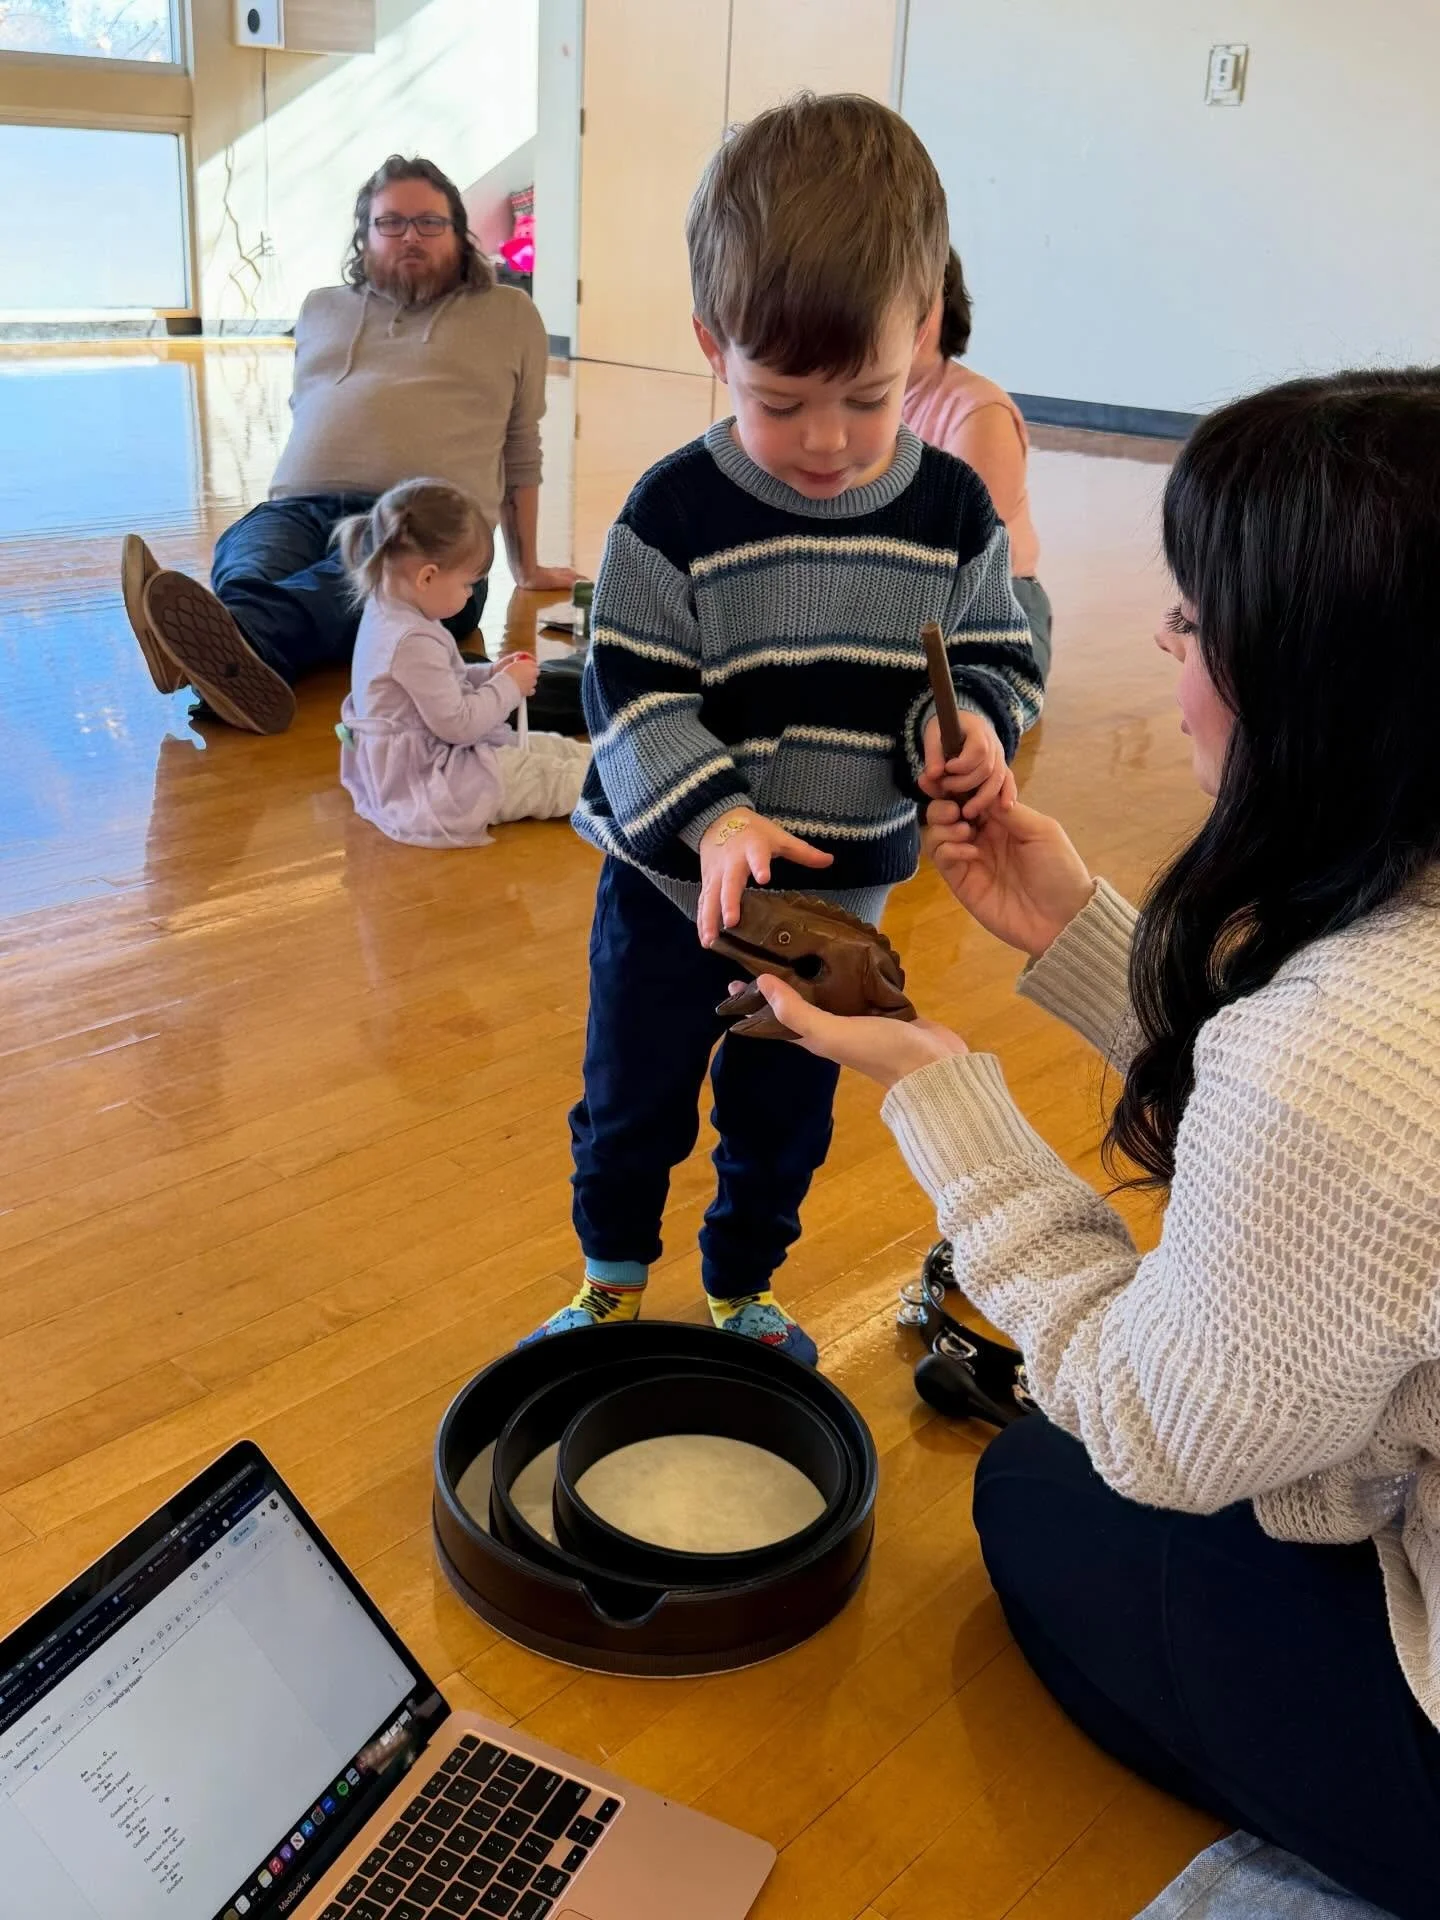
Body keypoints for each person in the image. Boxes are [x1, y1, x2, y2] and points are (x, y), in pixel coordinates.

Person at [747, 369, 1440, 1918]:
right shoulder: (1384, 986)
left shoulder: (1343, 1050)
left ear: (1309, 683)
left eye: (1193, 625)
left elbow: (1158, 1427)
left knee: (1045, 1486)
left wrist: (936, 1081)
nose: (1167, 648)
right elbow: (1340, 1189)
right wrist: (1071, 923)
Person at [524, 95, 1044, 1365]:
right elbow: (631, 692)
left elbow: (998, 647)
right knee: (633, 1100)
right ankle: (609, 1278)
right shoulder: (672, 512)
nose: (825, 442)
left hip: (838, 915)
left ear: (923, 331)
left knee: (783, 1119)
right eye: (780, 400)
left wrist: (972, 723)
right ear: (713, 345)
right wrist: (718, 816)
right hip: (670, 892)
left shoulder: (955, 512)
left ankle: (742, 1287)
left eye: (868, 400)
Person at [120, 154, 576, 735]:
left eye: (430, 223)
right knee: (249, 563)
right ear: (363, 239)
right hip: (294, 509)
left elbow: (521, 447)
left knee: (368, 575)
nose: (411, 236)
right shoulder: (321, 308)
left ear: (459, 234)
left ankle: (222, 649)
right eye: (391, 223)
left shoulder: (509, 313)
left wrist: (525, 565)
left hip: (428, 531)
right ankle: (234, 661)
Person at [334, 479, 590, 848]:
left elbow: (441, 682)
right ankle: (626, 786)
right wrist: (508, 687)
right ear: (427, 578)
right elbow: (460, 724)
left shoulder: (391, 609)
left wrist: (489, 673)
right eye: (469, 584)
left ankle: (616, 764)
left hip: (435, 755)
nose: (471, 594)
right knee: (545, 777)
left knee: (548, 748)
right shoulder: (410, 640)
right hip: (434, 780)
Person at [904, 248, 1052, 681]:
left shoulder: (977, 410)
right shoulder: (848, 402)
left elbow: (972, 557)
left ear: (942, 306)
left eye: (914, 299)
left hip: (993, 607)